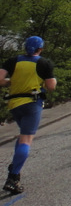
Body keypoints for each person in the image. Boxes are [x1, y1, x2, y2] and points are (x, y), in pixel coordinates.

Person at [1, 37, 57, 194]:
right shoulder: (44, 63)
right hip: (32, 104)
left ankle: (15, 166)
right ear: (41, 49)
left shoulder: (13, 61)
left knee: (22, 135)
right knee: (26, 139)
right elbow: (51, 86)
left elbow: (0, 78)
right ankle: (13, 177)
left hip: (14, 104)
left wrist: (10, 82)